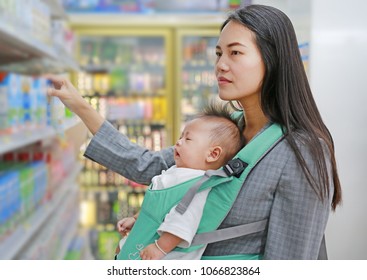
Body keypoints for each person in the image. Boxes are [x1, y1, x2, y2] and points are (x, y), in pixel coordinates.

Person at [46, 4, 342, 259]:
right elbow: (148, 165)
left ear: (272, 59)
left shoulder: (302, 152)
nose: (221, 65)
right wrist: (79, 104)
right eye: (218, 53)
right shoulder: (229, 131)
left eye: (235, 53)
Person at [115, 104, 243, 260]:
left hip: (163, 254)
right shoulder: (177, 172)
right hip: (144, 241)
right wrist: (136, 219)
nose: (179, 142)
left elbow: (181, 223)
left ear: (213, 154)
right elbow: (158, 206)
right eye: (181, 137)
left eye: (187, 139)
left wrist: (159, 248)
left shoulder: (197, 187)